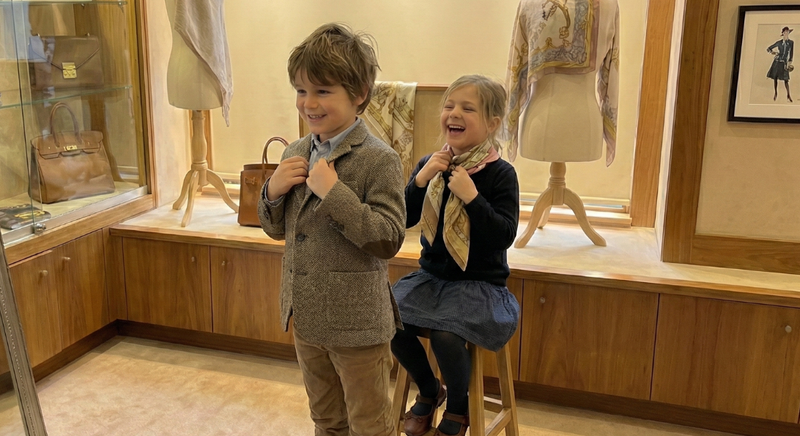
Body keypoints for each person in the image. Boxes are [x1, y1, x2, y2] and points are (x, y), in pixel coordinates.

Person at [258, 23, 406, 436]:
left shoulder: (380, 159)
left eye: (323, 91)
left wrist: (334, 193)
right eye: (301, 90)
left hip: (358, 326)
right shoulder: (295, 151)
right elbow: (275, 229)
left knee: (369, 424)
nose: (309, 103)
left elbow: (388, 238)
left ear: (359, 94)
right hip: (306, 318)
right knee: (325, 419)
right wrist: (272, 191)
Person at [391, 75, 521, 436]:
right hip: (431, 279)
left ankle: (459, 409)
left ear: (492, 124)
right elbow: (404, 219)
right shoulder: (431, 164)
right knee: (386, 318)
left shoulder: (501, 174)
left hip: (480, 284)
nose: (454, 113)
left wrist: (472, 197)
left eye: (467, 108)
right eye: (449, 106)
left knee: (447, 334)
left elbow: (503, 235)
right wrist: (419, 180)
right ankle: (430, 389)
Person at [767, 26, 794, 102]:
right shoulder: (779, 43)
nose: (786, 33)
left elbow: (791, 53)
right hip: (777, 62)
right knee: (775, 78)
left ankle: (788, 95)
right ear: (783, 33)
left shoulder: (791, 43)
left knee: (786, 80)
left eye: (787, 32)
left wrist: (789, 62)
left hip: (784, 63)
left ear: (788, 33)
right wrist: (774, 53)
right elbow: (769, 48)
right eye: (785, 32)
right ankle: (775, 93)